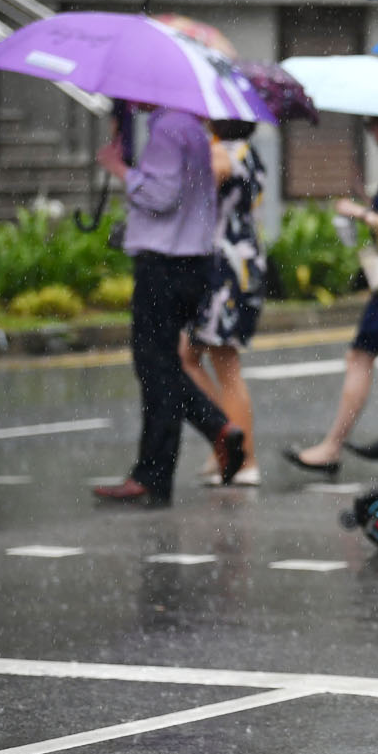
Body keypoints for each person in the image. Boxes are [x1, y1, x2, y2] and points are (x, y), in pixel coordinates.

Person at [91, 105, 246, 507]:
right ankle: (205, 437)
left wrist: (119, 169)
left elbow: (160, 196)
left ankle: (155, 476)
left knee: (155, 369)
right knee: (161, 367)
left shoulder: (165, 133)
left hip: (163, 263)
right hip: (191, 263)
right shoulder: (194, 130)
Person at [283, 117, 378, 476]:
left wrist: (358, 212)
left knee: (361, 356)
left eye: (370, 125)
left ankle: (332, 446)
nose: (370, 132)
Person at [182, 119, 266, 486]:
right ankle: (226, 439)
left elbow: (195, 197)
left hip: (225, 269)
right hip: (233, 263)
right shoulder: (247, 153)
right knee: (190, 356)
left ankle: (243, 458)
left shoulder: (224, 155)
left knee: (222, 361)